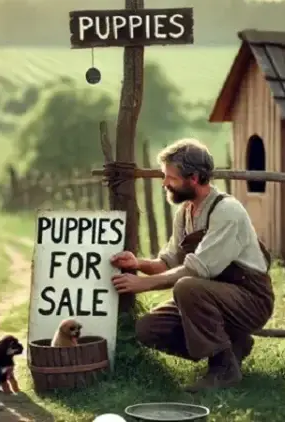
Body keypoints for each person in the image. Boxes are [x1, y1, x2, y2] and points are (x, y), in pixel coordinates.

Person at [110, 138, 274, 392]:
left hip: (250, 299)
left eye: (170, 177)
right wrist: (137, 263)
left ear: (194, 178)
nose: (164, 183)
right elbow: (167, 262)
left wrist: (141, 285)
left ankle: (223, 369)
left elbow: (197, 270)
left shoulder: (227, 211)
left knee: (187, 286)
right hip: (209, 298)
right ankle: (231, 347)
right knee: (148, 329)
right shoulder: (185, 212)